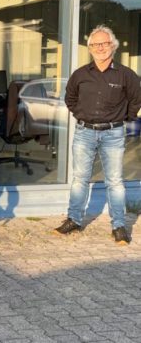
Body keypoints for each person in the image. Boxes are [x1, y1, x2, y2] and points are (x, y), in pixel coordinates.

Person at [55, 25, 141, 244]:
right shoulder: (80, 74)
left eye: (104, 43)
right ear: (90, 48)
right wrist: (82, 115)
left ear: (113, 46)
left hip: (113, 134)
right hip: (84, 132)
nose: (100, 48)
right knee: (80, 179)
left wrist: (123, 118)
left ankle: (119, 225)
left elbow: (136, 100)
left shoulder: (126, 75)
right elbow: (70, 98)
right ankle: (74, 219)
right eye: (95, 44)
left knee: (115, 181)